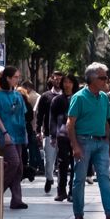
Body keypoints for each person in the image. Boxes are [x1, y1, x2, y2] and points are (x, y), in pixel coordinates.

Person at [67, 62, 110, 219]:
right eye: (103, 78)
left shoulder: (104, 97)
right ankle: (78, 216)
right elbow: (69, 125)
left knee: (105, 178)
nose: (106, 81)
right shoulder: (79, 97)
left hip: (101, 142)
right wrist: (75, 146)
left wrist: (108, 142)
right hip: (83, 141)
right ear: (92, 79)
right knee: (79, 180)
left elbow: (106, 121)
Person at [0, 69, 29, 210]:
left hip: (18, 132)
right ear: (7, 78)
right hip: (6, 133)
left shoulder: (17, 95)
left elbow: (23, 114)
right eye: (15, 77)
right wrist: (4, 132)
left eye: (18, 77)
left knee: (19, 167)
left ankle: (16, 199)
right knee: (13, 162)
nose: (17, 80)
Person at [38, 71, 73, 201]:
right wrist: (52, 135)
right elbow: (50, 118)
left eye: (69, 82)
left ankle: (72, 191)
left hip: (76, 135)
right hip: (60, 135)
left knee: (75, 164)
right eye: (65, 82)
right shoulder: (55, 99)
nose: (66, 84)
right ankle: (60, 189)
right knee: (60, 163)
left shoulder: (77, 98)